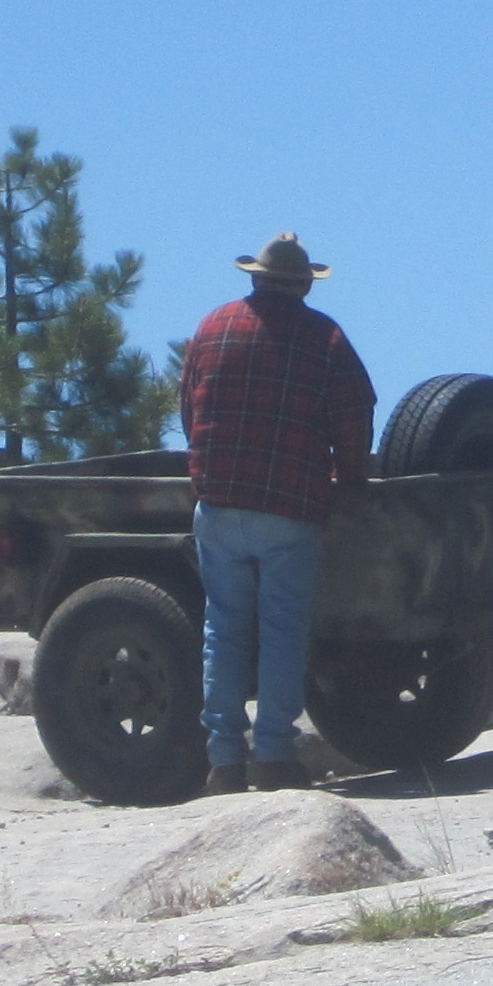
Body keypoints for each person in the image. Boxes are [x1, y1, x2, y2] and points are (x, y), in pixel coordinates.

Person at [180, 231, 375, 792]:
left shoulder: (212, 327)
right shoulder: (325, 338)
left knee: (224, 629)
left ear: (257, 279)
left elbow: (188, 409)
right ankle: (272, 755)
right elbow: (354, 415)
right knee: (282, 630)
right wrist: (351, 479)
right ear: (304, 286)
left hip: (218, 503)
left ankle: (223, 760)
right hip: (289, 506)